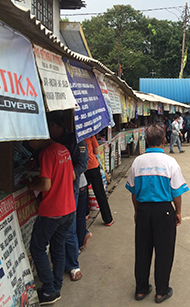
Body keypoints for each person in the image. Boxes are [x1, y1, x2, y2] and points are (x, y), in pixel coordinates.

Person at [125, 125, 189, 304]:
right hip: (164, 211)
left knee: (142, 250)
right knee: (164, 251)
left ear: (146, 140)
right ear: (163, 140)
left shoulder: (138, 162)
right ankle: (161, 291)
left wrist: (137, 211)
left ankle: (141, 289)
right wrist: (178, 212)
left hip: (144, 210)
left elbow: (133, 191)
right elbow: (176, 193)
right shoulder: (170, 163)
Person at [28, 138, 75, 305]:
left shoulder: (47, 154)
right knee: (58, 246)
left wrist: (33, 186)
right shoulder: (63, 149)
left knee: (37, 247)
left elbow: (46, 186)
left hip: (53, 210)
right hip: (69, 208)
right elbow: (73, 175)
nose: (28, 143)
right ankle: (56, 286)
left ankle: (49, 290)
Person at [47, 111, 88, 282]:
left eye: (50, 127)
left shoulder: (75, 141)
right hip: (51, 192)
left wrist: (72, 173)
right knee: (54, 230)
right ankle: (59, 264)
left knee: (69, 229)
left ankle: (73, 265)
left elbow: (83, 164)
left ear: (56, 125)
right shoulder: (48, 143)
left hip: (70, 190)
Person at [84, 135, 115, 226]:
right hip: (93, 166)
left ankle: (86, 213)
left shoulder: (77, 135)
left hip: (82, 168)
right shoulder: (90, 135)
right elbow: (96, 151)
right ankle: (107, 219)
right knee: (100, 193)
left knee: (83, 192)